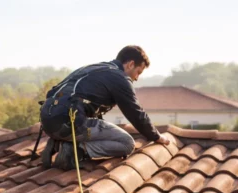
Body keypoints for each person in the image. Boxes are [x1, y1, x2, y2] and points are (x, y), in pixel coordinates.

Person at [39, 45, 170, 170]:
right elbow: (136, 113)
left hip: (48, 122)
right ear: (130, 64)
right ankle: (76, 150)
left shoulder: (93, 68)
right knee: (127, 143)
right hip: (71, 123)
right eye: (138, 72)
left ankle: (60, 143)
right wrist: (156, 137)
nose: (136, 78)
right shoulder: (120, 78)